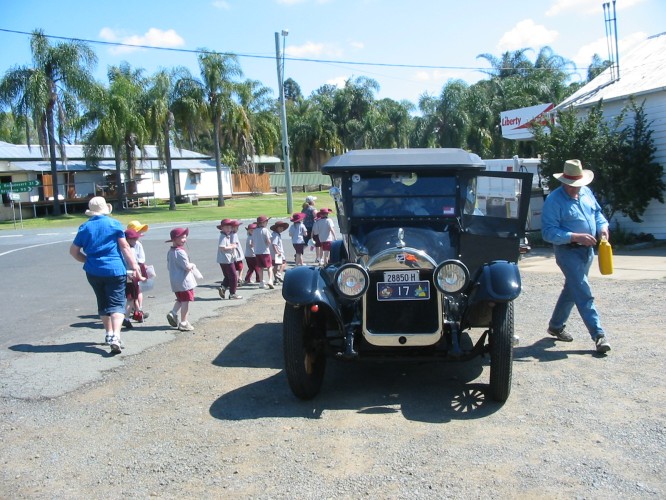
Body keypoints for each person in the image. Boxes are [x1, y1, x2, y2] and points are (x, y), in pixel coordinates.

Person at [541, 159, 611, 354]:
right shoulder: (554, 200)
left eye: (577, 185)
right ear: (563, 182)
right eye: (571, 185)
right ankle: (599, 335)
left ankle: (556, 325)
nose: (574, 189)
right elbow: (548, 232)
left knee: (572, 289)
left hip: (587, 251)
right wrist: (575, 236)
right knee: (582, 290)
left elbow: (598, 214)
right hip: (567, 252)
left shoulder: (586, 192)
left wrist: (603, 228)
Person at [69, 196, 141, 354]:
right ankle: (116, 335)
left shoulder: (85, 227)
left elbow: (74, 251)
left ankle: (108, 333)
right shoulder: (114, 224)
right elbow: (124, 247)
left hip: (94, 270)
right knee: (116, 303)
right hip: (115, 269)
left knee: (102, 301)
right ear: (106, 209)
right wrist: (134, 265)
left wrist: (87, 261)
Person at [165, 227, 199, 331]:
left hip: (175, 281)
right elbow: (186, 267)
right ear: (175, 239)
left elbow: (168, 266)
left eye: (185, 237)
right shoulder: (180, 252)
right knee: (186, 301)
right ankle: (184, 322)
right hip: (184, 281)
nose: (184, 239)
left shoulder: (170, 251)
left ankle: (173, 313)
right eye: (182, 238)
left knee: (180, 299)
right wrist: (192, 265)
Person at [122, 228, 148, 330]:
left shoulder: (122, 248)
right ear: (128, 239)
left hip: (126, 274)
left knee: (134, 295)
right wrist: (140, 276)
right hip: (132, 275)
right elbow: (134, 265)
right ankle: (126, 318)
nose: (136, 241)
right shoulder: (130, 250)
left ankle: (138, 313)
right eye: (134, 239)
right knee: (131, 298)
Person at [126, 220, 150, 319]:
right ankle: (138, 311)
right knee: (136, 292)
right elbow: (140, 259)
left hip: (128, 272)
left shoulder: (125, 245)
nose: (140, 233)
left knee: (134, 293)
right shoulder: (135, 245)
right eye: (138, 231)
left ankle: (137, 310)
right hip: (134, 271)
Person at [216, 219, 243, 300]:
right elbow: (222, 247)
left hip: (225, 259)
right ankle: (232, 293)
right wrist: (232, 246)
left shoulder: (227, 235)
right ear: (222, 228)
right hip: (226, 259)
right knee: (234, 276)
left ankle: (223, 287)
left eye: (230, 227)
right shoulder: (223, 236)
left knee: (228, 276)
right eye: (226, 227)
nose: (228, 229)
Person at [251, 215, 275, 289]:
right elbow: (268, 241)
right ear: (264, 223)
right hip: (265, 251)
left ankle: (261, 282)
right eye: (266, 221)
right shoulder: (265, 230)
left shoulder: (255, 231)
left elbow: (252, 243)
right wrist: (267, 245)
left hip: (257, 252)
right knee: (269, 266)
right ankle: (270, 280)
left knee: (260, 267)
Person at [231, 220, 245, 288]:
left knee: (236, 268)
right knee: (240, 267)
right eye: (236, 227)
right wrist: (234, 254)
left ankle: (237, 278)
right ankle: (240, 278)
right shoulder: (234, 235)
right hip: (237, 255)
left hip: (233, 255)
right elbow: (234, 244)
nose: (237, 229)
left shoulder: (229, 234)